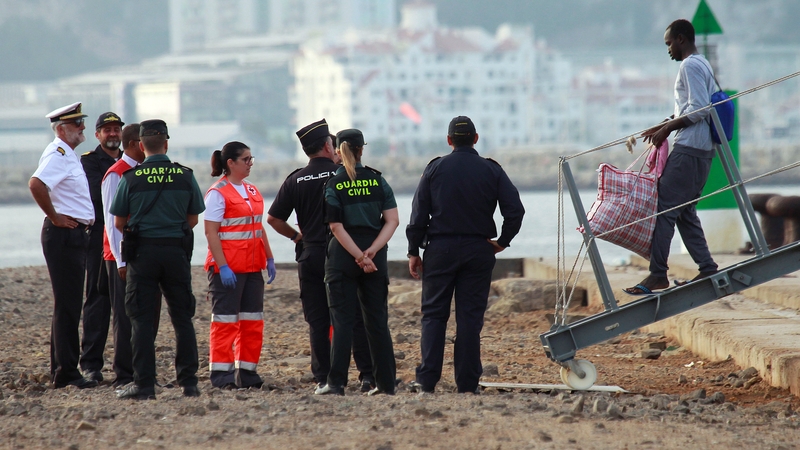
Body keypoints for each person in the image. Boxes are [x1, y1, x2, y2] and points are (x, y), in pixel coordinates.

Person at [406, 116, 524, 394]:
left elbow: (418, 212)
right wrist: (503, 241)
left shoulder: (435, 168)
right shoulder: (491, 170)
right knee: (470, 318)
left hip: (439, 249)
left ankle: (426, 381)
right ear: (476, 138)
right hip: (478, 249)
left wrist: (413, 250)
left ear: (449, 141)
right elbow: (515, 210)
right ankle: (468, 384)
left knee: (434, 315)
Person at [267, 119, 375, 392]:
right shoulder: (343, 174)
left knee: (317, 322)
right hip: (342, 253)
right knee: (353, 318)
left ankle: (324, 379)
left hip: (310, 253)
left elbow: (274, 219)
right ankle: (367, 375)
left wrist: (296, 236)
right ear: (329, 145)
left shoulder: (295, 179)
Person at [110, 119, 205, 400]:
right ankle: (189, 383)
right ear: (166, 143)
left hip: (142, 255)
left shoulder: (131, 178)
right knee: (182, 317)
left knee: (140, 319)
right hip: (176, 251)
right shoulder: (185, 176)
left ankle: (144, 385)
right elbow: (193, 219)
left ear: (141, 145)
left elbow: (118, 222)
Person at [623, 19, 719, 295]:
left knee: (663, 209)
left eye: (669, 43)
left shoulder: (689, 65)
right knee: (685, 212)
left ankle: (657, 274)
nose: (668, 50)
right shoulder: (704, 64)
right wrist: (664, 123)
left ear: (681, 39)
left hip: (689, 149)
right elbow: (692, 107)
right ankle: (707, 267)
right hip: (701, 150)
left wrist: (668, 129)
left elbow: (699, 109)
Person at [315, 128, 399, 396]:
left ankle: (336, 383)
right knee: (377, 321)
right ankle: (385, 385)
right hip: (375, 257)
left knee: (342, 322)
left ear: (337, 151)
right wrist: (371, 251)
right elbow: (392, 220)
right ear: (363, 149)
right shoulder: (377, 181)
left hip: (343, 257)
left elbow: (336, 227)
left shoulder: (333, 183)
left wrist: (357, 256)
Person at [29, 102, 98, 389]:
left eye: (82, 121)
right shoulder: (57, 153)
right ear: (61, 129)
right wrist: (54, 216)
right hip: (64, 235)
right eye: (77, 123)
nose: (82, 127)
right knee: (68, 305)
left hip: (75, 234)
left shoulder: (68, 155)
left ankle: (62, 368)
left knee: (67, 305)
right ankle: (67, 371)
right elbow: (36, 184)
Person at [204, 141, 276, 389]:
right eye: (245, 159)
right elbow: (211, 233)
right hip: (229, 270)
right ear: (230, 163)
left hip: (253, 267)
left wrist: (269, 257)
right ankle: (222, 376)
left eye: (251, 158)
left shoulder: (252, 190)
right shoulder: (218, 193)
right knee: (225, 322)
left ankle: (247, 373)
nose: (250, 164)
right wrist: (222, 267)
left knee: (252, 322)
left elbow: (257, 227)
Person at [101, 122, 162, 388]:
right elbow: (112, 222)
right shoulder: (116, 174)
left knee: (150, 315)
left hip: (148, 254)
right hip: (122, 256)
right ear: (136, 143)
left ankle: (145, 373)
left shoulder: (145, 172)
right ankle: (125, 374)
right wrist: (122, 260)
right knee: (126, 317)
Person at [78, 111, 123, 383]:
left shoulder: (132, 161)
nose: (113, 134)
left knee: (128, 303)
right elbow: (98, 194)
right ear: (97, 135)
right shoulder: (90, 163)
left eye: (117, 129)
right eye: (107, 130)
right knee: (98, 299)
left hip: (128, 236)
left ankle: (127, 366)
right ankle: (91, 364)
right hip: (98, 236)